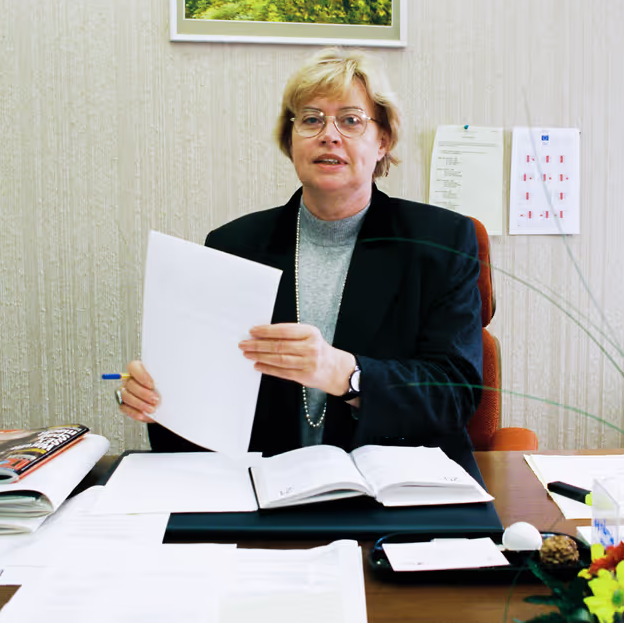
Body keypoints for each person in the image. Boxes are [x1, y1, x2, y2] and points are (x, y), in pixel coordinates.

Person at [118, 48, 483, 458]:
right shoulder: (233, 246)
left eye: (351, 120)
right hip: (268, 482)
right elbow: (211, 414)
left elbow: (455, 394)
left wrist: (345, 373)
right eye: (311, 119)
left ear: (382, 141)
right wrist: (163, 405)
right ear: (290, 141)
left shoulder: (442, 242)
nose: (329, 135)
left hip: (394, 482)